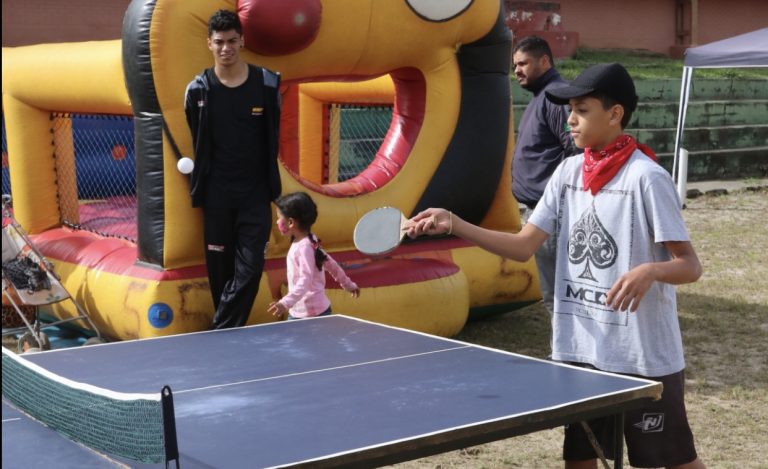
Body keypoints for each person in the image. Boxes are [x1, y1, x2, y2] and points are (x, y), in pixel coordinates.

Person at [408, 63, 706, 469]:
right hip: (581, 353)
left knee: (674, 463)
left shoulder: (647, 178)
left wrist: (650, 271)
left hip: (643, 359)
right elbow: (522, 245)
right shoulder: (567, 172)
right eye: (570, 109)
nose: (570, 119)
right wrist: (454, 223)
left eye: (581, 109)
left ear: (615, 114)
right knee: (580, 461)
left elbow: (689, 265)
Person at [184, 9, 282, 329]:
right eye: (219, 42)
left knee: (251, 268)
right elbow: (195, 131)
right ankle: (229, 338)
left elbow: (274, 131)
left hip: (255, 195)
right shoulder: (198, 89)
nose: (226, 48)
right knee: (220, 275)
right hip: (217, 196)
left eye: (231, 41)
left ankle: (220, 331)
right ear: (209, 44)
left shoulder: (267, 84)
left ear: (242, 41)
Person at [511, 35, 578, 313]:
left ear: (545, 61)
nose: (517, 71)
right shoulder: (542, 95)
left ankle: (570, 356)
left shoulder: (556, 95)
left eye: (523, 63)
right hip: (540, 211)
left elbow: (577, 150)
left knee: (558, 293)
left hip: (553, 214)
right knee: (553, 291)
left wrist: (557, 200)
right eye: (515, 65)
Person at [268, 192, 359, 320]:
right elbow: (331, 264)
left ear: (290, 222)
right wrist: (348, 285)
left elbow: (305, 280)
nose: (277, 222)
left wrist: (285, 302)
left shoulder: (304, 247)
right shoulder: (310, 240)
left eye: (279, 218)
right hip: (304, 311)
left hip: (310, 314)